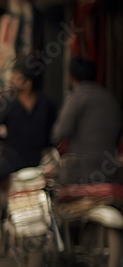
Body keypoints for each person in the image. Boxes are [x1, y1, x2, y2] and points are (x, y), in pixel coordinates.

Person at [0, 59, 58, 228]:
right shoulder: (47, 104)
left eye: (16, 77)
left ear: (28, 82)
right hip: (37, 160)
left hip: (14, 160)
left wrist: (2, 140)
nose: (12, 81)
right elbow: (53, 136)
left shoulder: (10, 104)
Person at [51, 57, 123, 186]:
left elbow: (60, 131)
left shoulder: (76, 97)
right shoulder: (110, 97)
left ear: (71, 77)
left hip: (82, 170)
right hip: (110, 167)